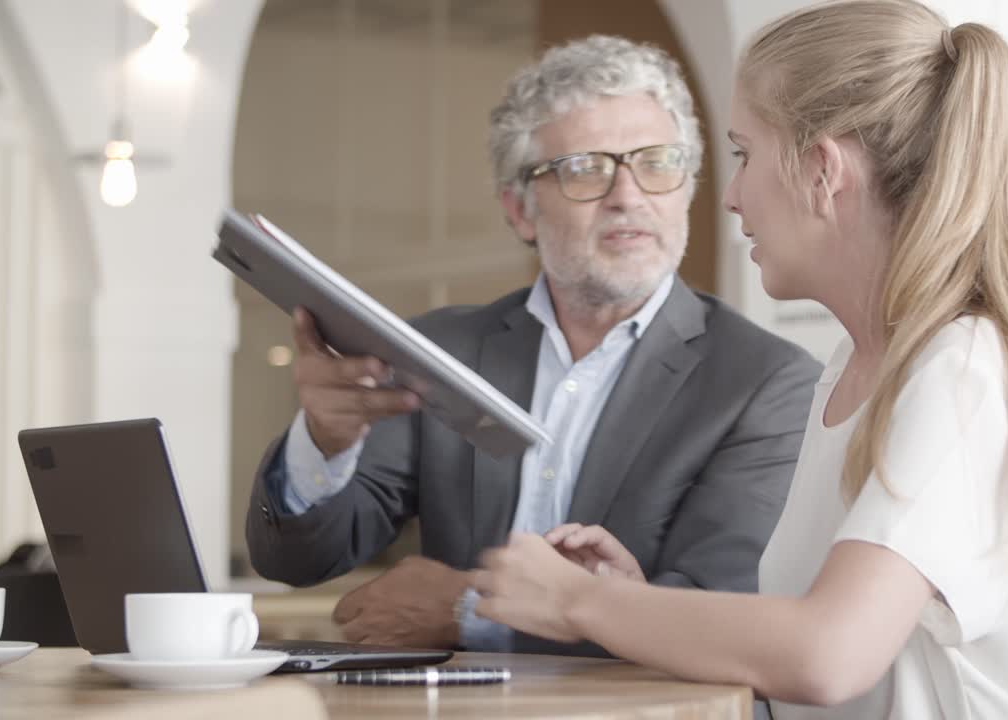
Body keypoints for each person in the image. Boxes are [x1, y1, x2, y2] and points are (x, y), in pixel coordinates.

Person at [471, 1, 1008, 717]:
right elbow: (807, 639)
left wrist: (580, 602)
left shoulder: (963, 369)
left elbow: (826, 655)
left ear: (822, 171)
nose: (732, 196)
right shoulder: (851, 369)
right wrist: (627, 600)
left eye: (744, 154)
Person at [245, 34, 822, 657]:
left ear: (684, 187)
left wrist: (468, 614)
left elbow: (720, 610)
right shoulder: (442, 350)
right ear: (520, 210)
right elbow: (299, 557)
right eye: (585, 170)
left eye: (656, 162)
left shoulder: (767, 381)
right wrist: (323, 445)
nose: (628, 196)